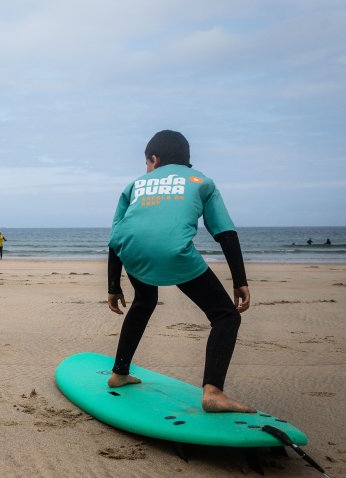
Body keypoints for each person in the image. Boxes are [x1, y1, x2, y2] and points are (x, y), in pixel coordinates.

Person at [106, 130, 255, 413]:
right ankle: (213, 392)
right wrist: (240, 280)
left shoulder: (135, 185)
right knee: (225, 316)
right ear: (186, 161)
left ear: (154, 159)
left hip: (132, 251)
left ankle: (119, 374)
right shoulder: (202, 182)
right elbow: (224, 231)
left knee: (144, 301)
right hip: (175, 253)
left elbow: (116, 236)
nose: (146, 169)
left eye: (146, 163)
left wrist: (113, 285)